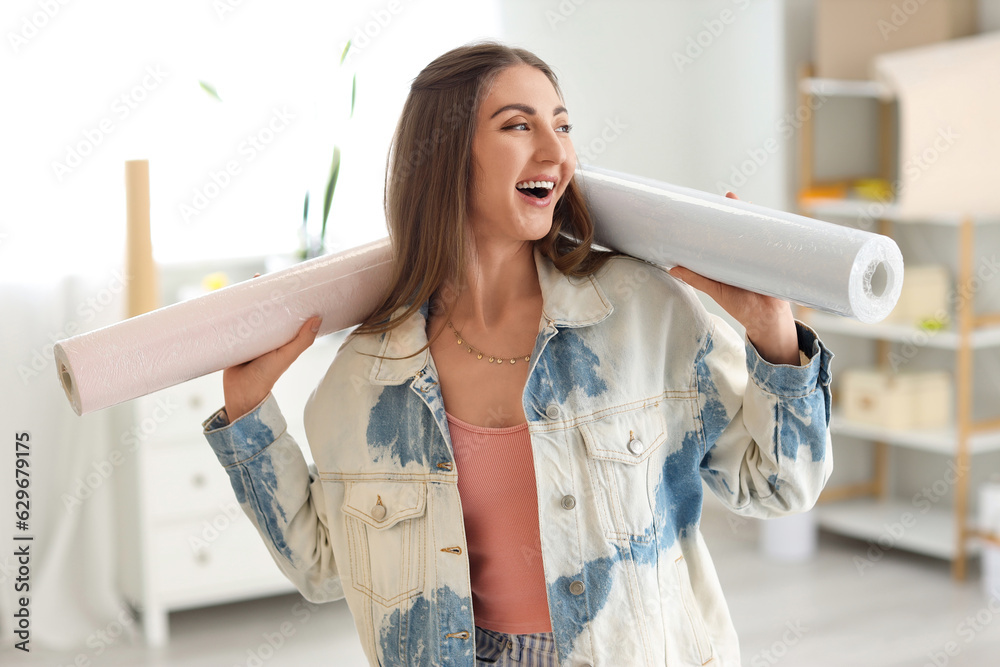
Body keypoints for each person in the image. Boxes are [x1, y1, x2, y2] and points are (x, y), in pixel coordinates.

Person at [202, 40, 834, 667]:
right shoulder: (367, 380)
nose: (556, 152)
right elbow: (322, 567)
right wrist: (248, 411)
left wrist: (773, 335)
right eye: (518, 126)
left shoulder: (643, 312)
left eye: (562, 126)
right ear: (445, 156)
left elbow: (780, 488)